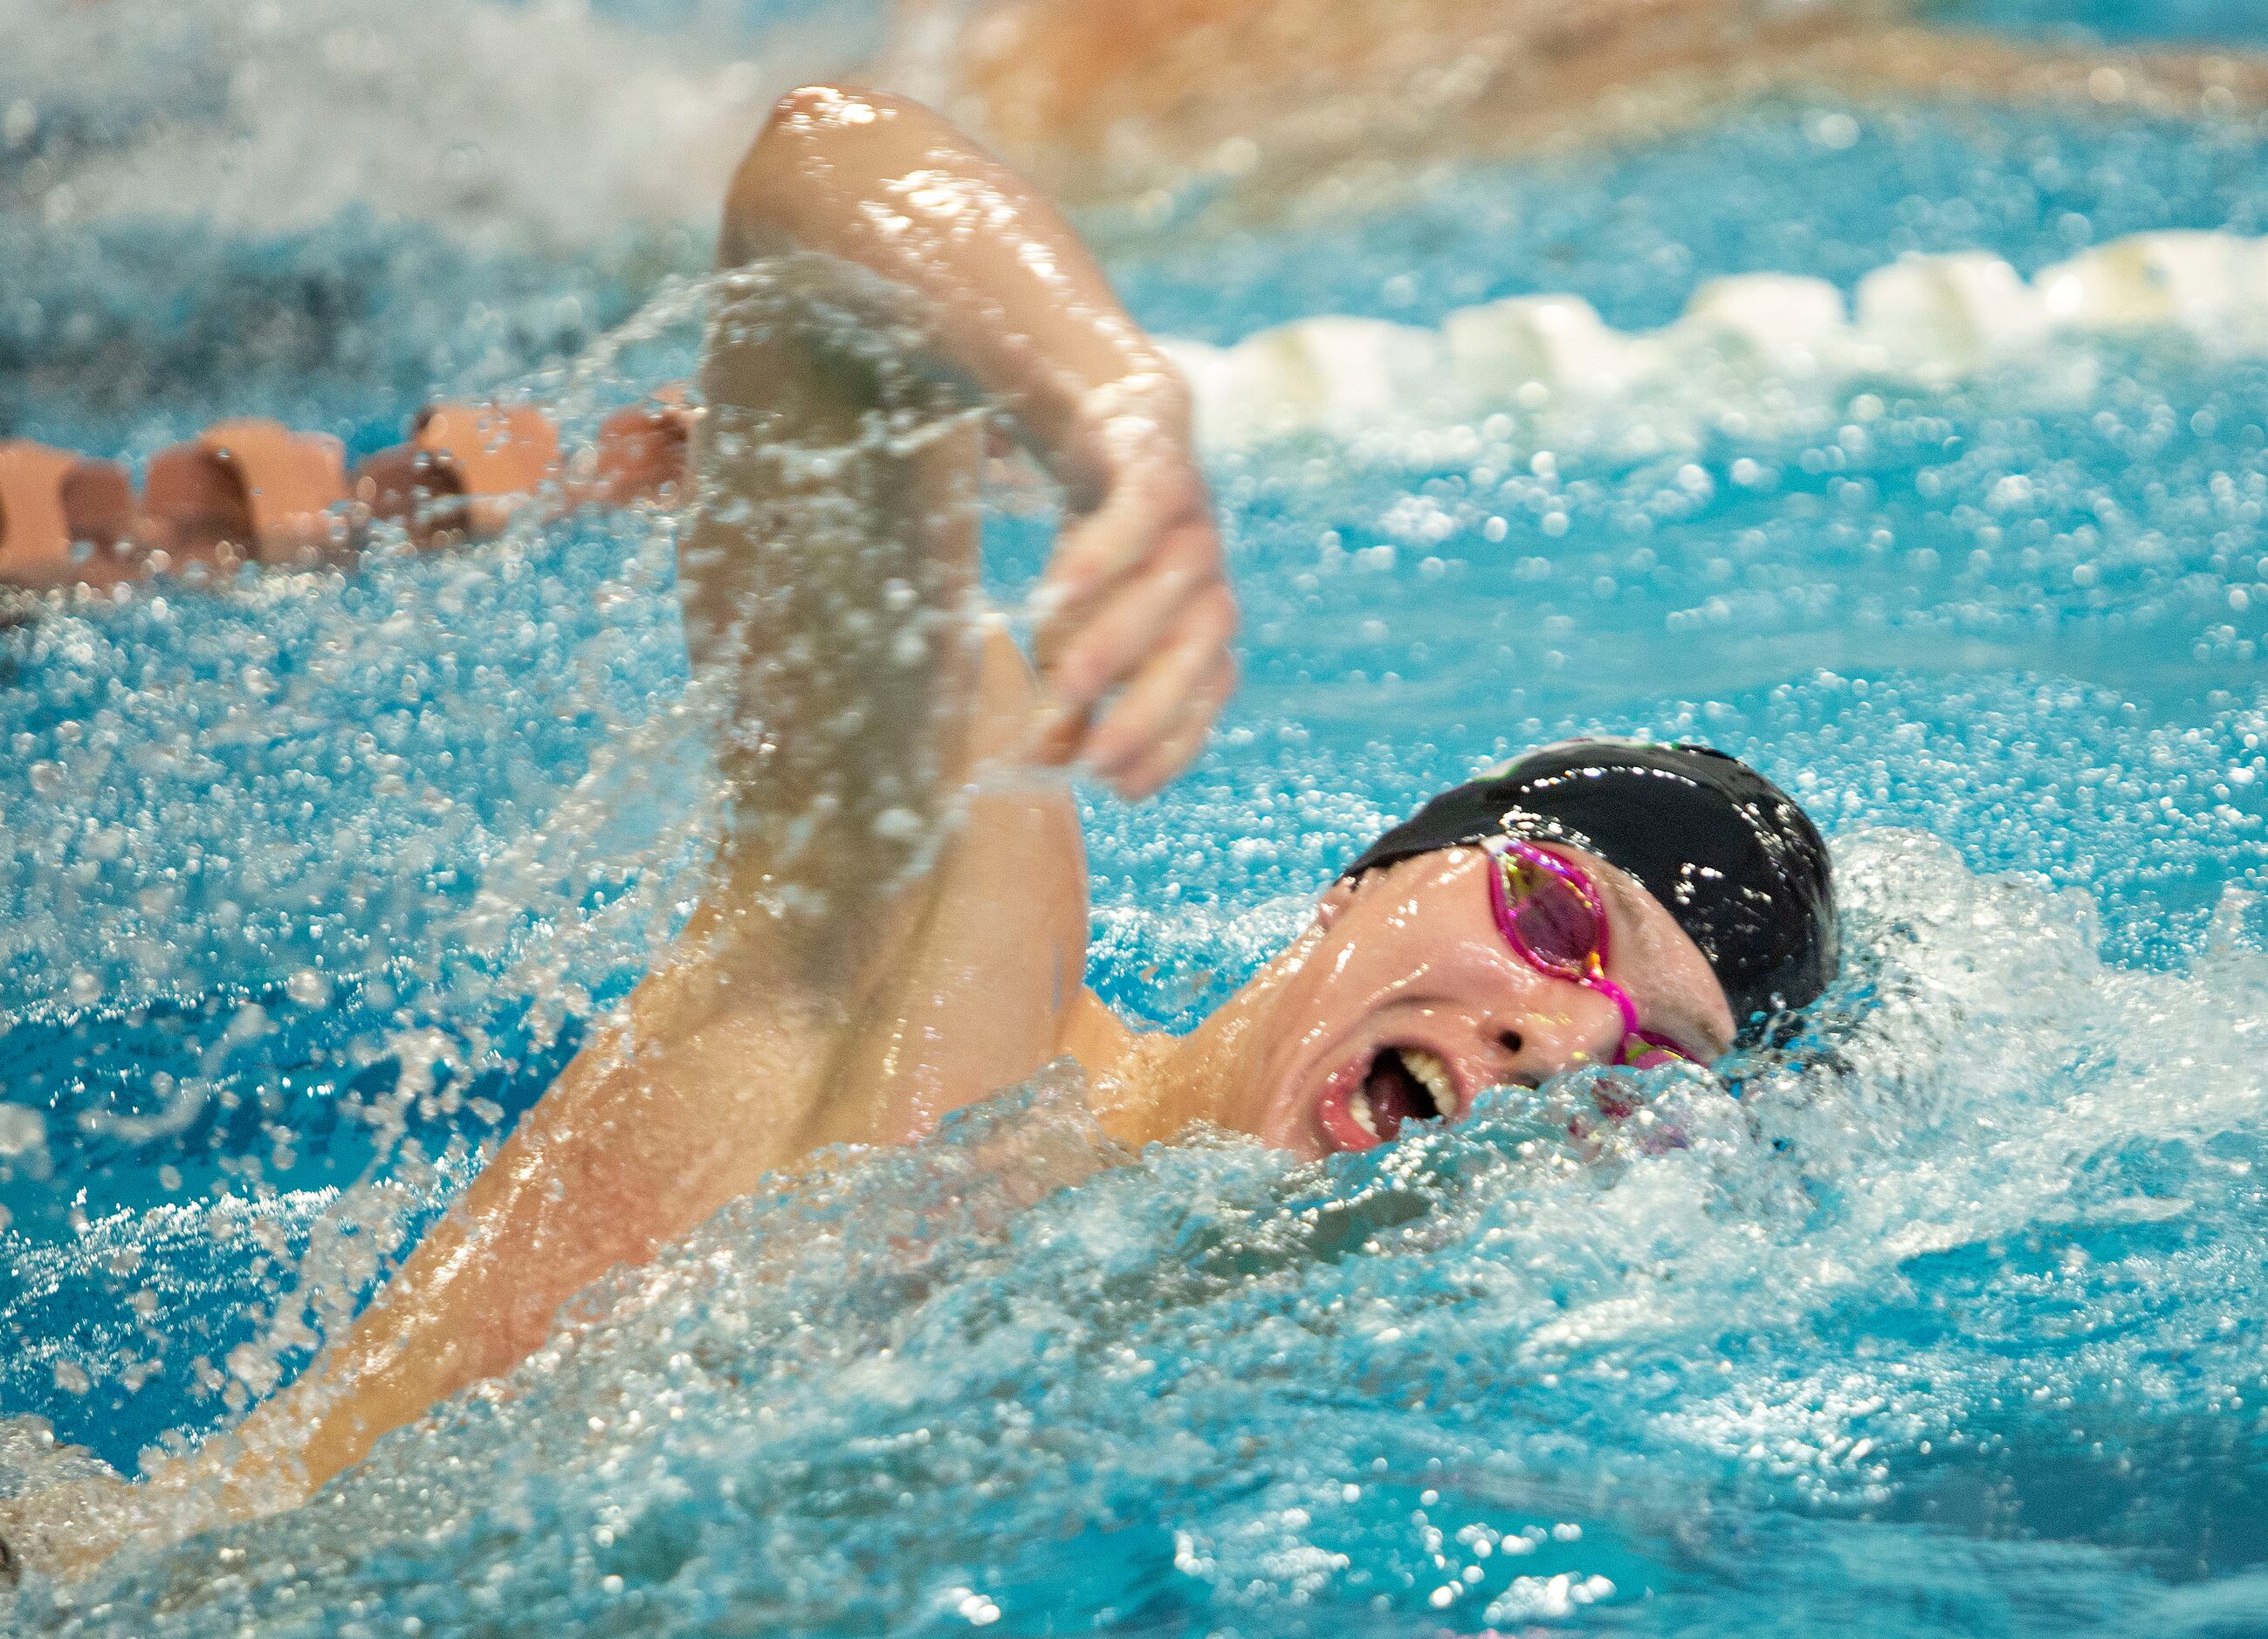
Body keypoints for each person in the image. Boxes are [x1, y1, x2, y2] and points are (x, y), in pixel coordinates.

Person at [0, 83, 1835, 1580]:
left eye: (1645, 1060)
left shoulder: (1247, 1388)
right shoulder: (960, 946)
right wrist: (1119, 413)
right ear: (1370, 876)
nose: (1559, 1035)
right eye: (1556, 922)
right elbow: (819, 184)